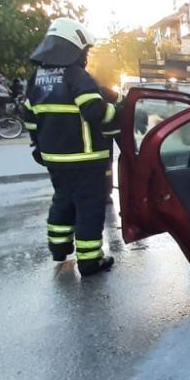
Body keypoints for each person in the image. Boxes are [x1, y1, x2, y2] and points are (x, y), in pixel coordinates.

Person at [22, 17, 117, 276]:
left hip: (54, 158)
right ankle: (89, 260)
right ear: (74, 48)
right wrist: (117, 112)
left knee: (62, 199)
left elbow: (30, 117)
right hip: (85, 157)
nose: (86, 56)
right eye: (85, 50)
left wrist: (37, 146)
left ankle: (59, 248)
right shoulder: (76, 75)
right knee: (89, 206)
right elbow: (94, 110)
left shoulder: (37, 79)